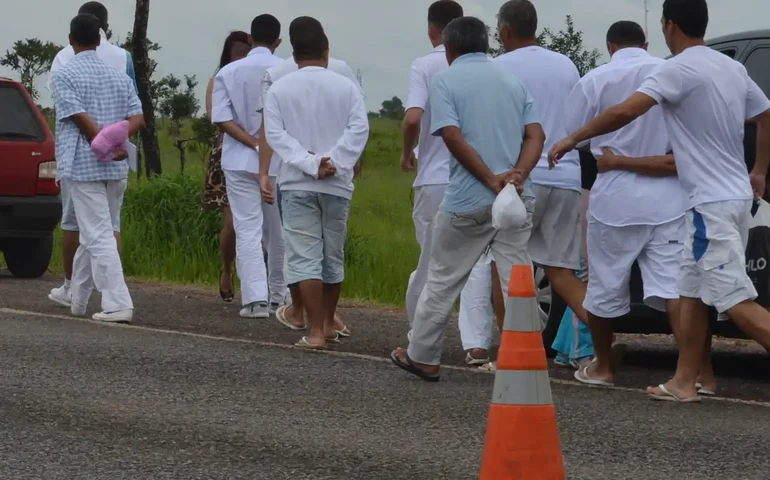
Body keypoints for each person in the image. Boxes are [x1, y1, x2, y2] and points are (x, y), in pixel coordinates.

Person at [549, 0, 770, 402]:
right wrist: (758, 170)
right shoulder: (731, 67)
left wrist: (573, 138)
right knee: (688, 291)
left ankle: (617, 368)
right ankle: (686, 381)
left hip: (708, 204)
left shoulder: (676, 68)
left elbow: (626, 112)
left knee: (734, 300)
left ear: (669, 25)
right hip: (725, 198)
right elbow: (765, 113)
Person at [390, 16, 545, 381]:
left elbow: (452, 136)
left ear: (448, 49)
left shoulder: (446, 81)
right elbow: (535, 135)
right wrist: (518, 174)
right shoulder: (512, 81)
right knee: (517, 280)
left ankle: (423, 356)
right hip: (515, 198)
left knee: (443, 279)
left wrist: (490, 179)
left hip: (468, 200)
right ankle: (525, 360)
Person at [564, 20, 688, 387]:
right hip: (668, 196)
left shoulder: (595, 80)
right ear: (646, 44)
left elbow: (575, 135)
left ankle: (603, 367)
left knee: (603, 286)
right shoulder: (671, 73)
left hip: (615, 196)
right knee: (673, 290)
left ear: (610, 46)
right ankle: (689, 372)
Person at [263, 16, 369, 349]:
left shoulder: (279, 88)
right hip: (337, 183)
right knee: (332, 256)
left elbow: (275, 135)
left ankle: (315, 333)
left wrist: (311, 163)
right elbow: (359, 129)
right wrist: (334, 161)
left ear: (294, 53)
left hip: (297, 182)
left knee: (304, 257)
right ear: (326, 50)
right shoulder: (346, 86)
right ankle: (327, 321)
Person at [400, 0, 492, 366]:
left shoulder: (424, 65)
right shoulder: (488, 68)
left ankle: (419, 334)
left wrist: (407, 152)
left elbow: (412, 118)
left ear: (432, 29)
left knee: (431, 261)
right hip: (478, 175)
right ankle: (477, 342)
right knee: (477, 262)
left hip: (435, 177)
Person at [493, 0, 588, 325]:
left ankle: (510, 345)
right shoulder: (566, 65)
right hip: (566, 176)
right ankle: (602, 339)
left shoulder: (499, 67)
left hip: (521, 179)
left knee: (504, 264)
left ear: (506, 31)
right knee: (560, 271)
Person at [50, 12, 144, 323]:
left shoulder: (64, 74)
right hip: (116, 168)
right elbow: (138, 118)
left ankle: (118, 302)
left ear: (70, 40)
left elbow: (79, 117)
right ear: (100, 38)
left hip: (82, 166)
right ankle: (78, 299)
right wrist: (117, 141)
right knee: (95, 232)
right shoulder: (118, 76)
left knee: (97, 234)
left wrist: (102, 143)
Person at [211, 14, 283, 318]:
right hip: (278, 161)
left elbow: (221, 119)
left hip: (239, 160)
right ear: (278, 41)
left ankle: (255, 300)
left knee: (247, 228)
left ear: (251, 39)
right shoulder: (286, 70)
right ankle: (281, 296)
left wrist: (252, 142)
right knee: (278, 231)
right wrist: (266, 144)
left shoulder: (228, 72)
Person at [202, 30, 251, 303]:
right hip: (228, 152)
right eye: (238, 53)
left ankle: (259, 282)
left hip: (262, 152)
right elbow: (215, 116)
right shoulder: (218, 80)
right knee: (232, 223)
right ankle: (227, 269)